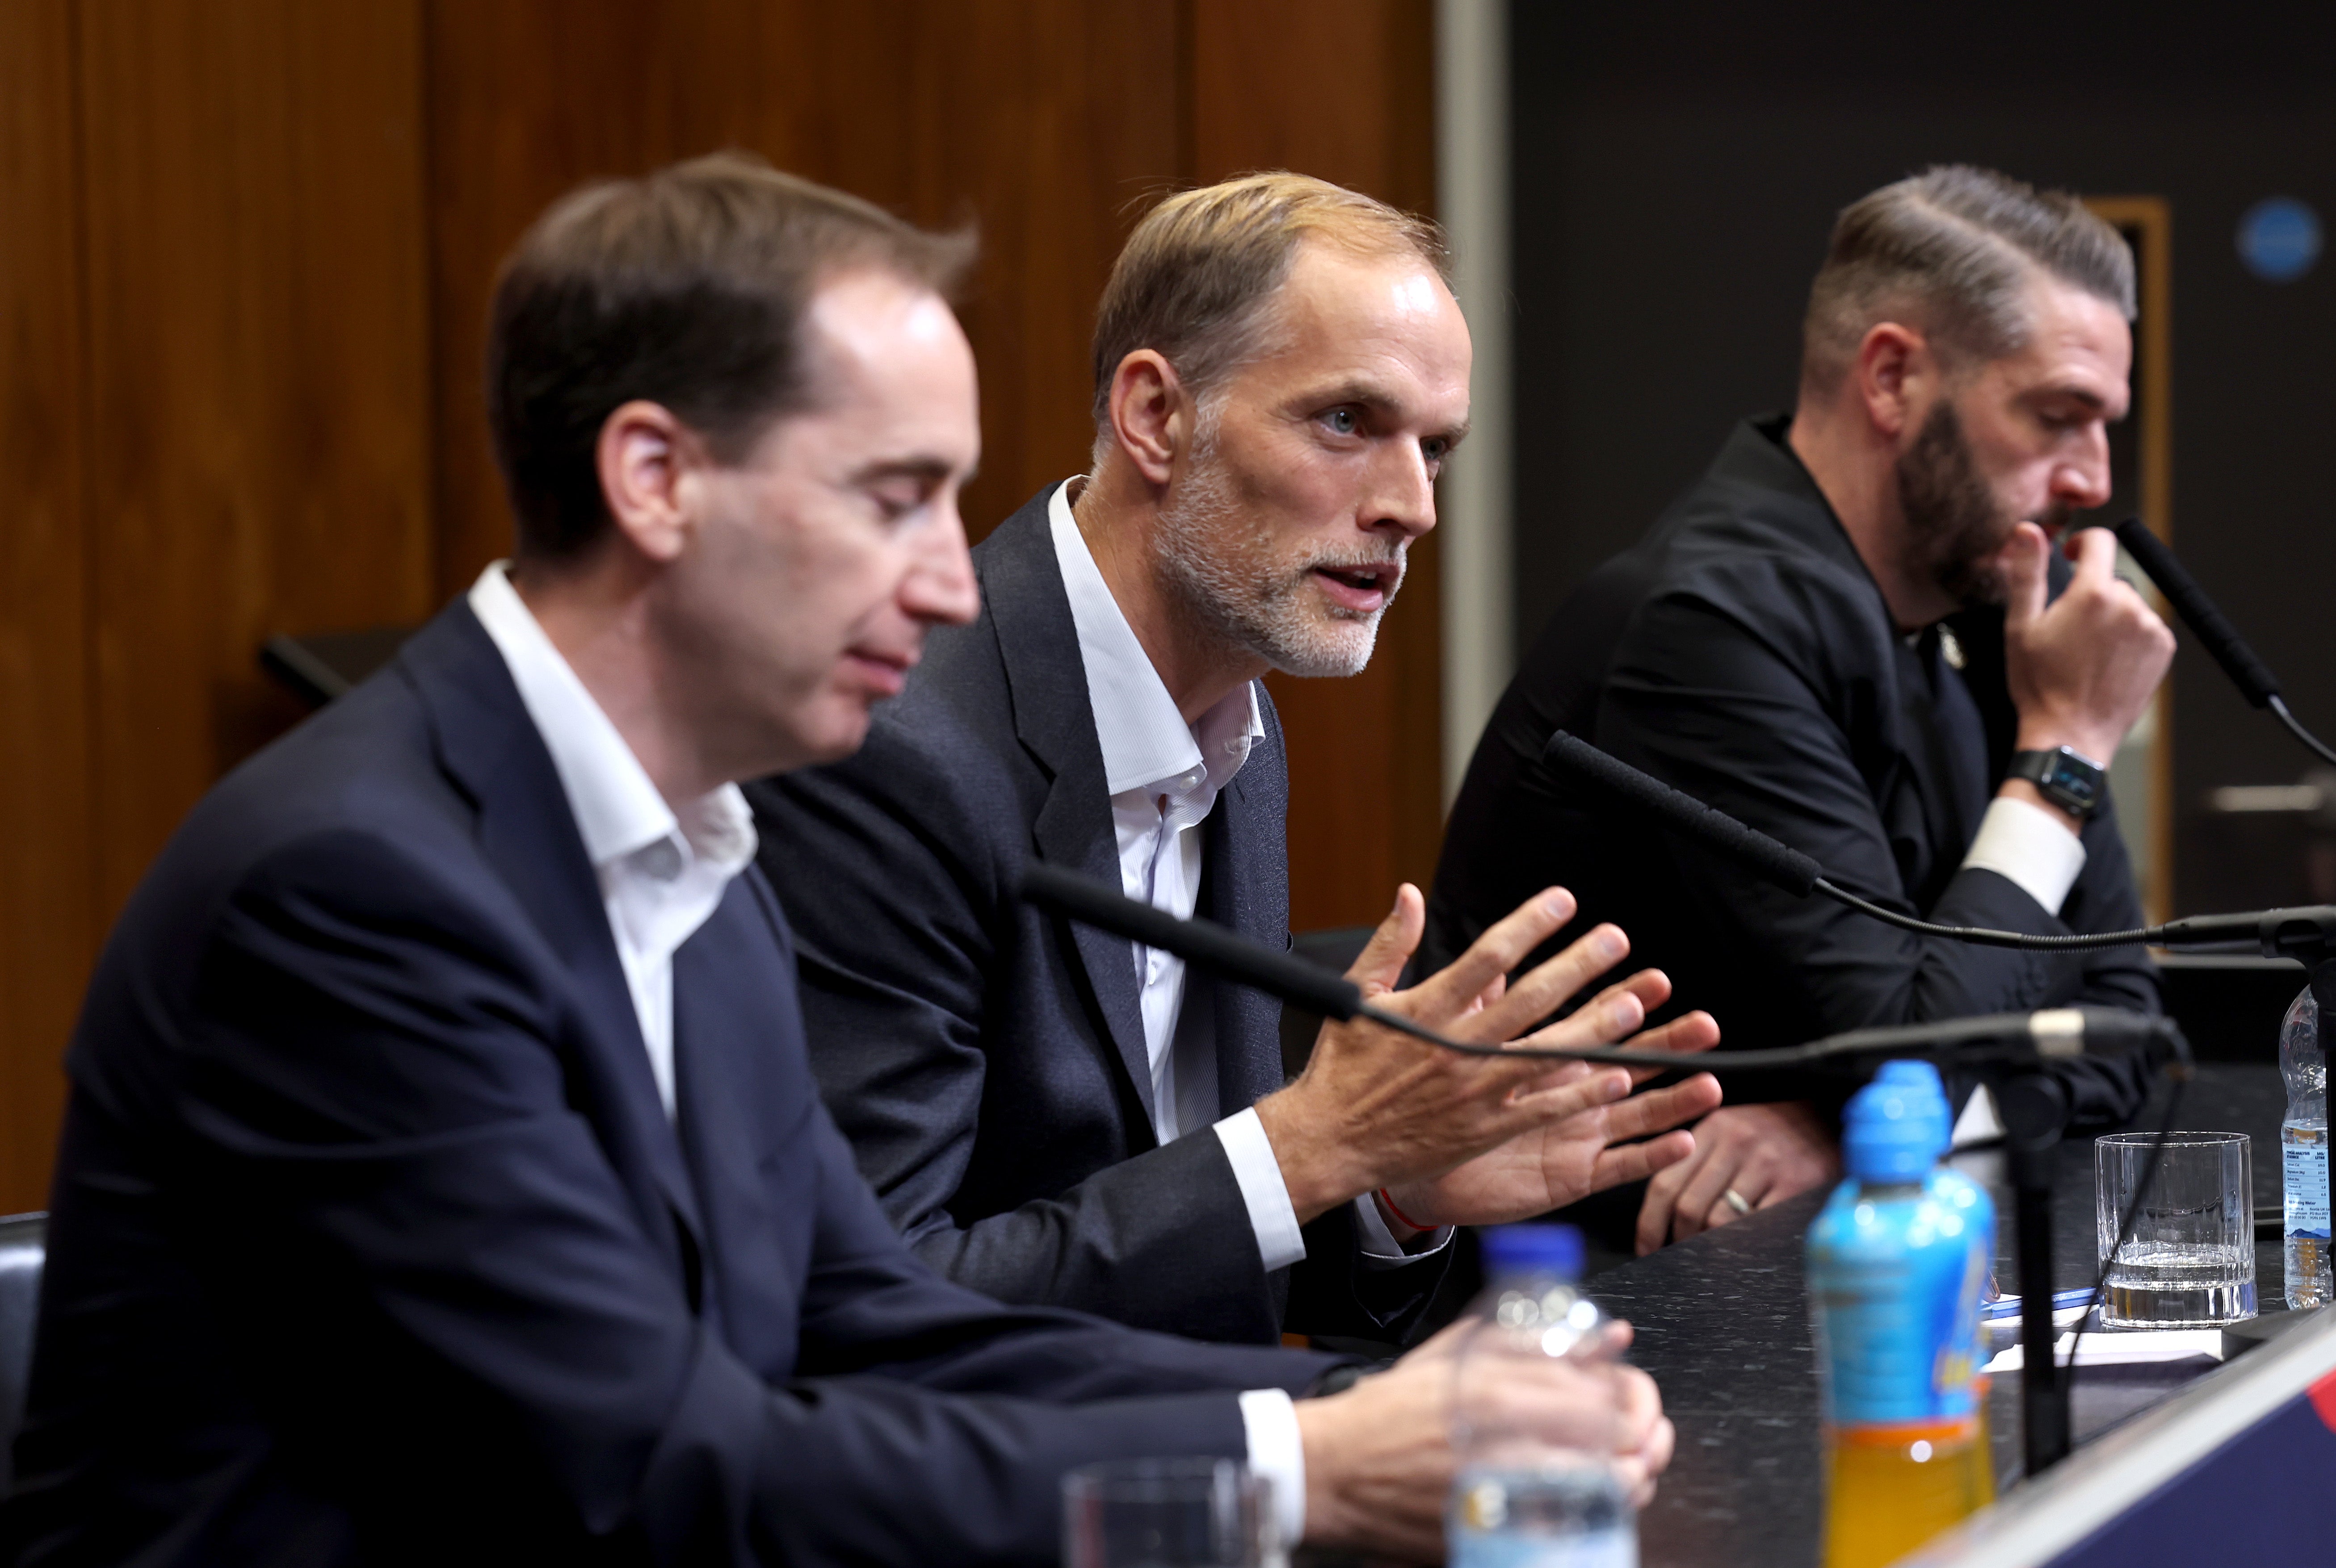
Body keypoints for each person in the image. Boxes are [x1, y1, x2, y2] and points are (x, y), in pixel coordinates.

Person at [0, 155, 1672, 1567]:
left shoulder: (691, 846)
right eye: (893, 500)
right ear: (655, 479)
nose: (954, 586)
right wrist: (1299, 1479)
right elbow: (653, 1467)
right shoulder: (354, 892)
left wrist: (1381, 1421)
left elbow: (869, 1318)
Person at [745, 173, 1724, 1346]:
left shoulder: (1237, 739)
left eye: (1436, 448)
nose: (1412, 504)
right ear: (1156, 416)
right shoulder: (893, 754)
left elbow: (1189, 1239)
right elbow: (871, 1309)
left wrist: (1389, 1188)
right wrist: (1307, 1144)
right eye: (1347, 422)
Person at [1425, 164, 2174, 1257]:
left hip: (1821, 1268)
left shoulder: (1992, 607)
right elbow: (1916, 1056)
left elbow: (2126, 1033)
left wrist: (1853, 1134)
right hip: (1597, 1317)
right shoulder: (1707, 621)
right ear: (1890, 379)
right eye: (2056, 417)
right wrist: (2062, 750)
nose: (2091, 478)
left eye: (2104, 425)